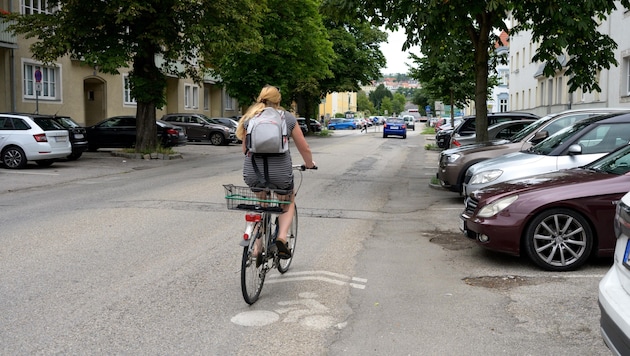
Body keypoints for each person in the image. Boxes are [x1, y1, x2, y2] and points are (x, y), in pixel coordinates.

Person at [236, 85, 316, 259]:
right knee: (288, 201)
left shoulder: (250, 117)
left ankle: (257, 248)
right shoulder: (286, 118)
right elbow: (304, 147)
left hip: (253, 171)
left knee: (260, 204)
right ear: (278, 100)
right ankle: (281, 238)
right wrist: (309, 164)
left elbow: (244, 150)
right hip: (280, 172)